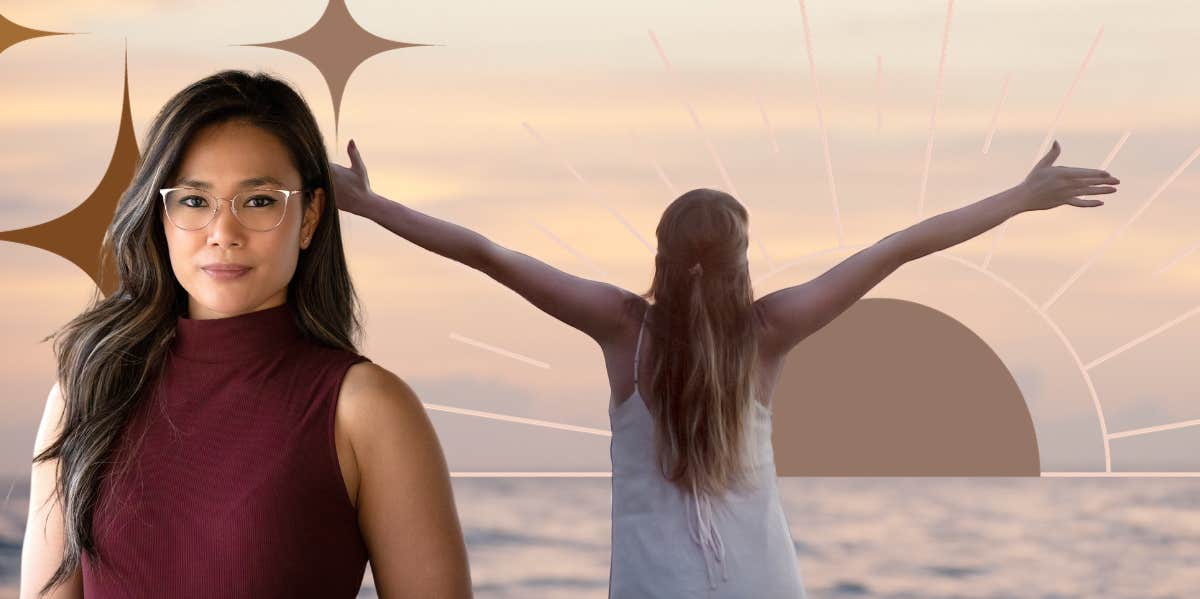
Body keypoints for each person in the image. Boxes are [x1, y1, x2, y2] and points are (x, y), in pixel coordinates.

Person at [330, 135, 1118, 598]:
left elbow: (486, 254)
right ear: (743, 262)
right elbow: (900, 246)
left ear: (662, 257)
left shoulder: (620, 327)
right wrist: (1019, 198)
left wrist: (370, 205)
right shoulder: (770, 329)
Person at [19, 70, 472, 599]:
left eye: (259, 201)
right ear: (159, 216)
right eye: (194, 201)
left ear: (309, 217)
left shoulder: (367, 409)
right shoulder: (87, 392)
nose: (223, 234)